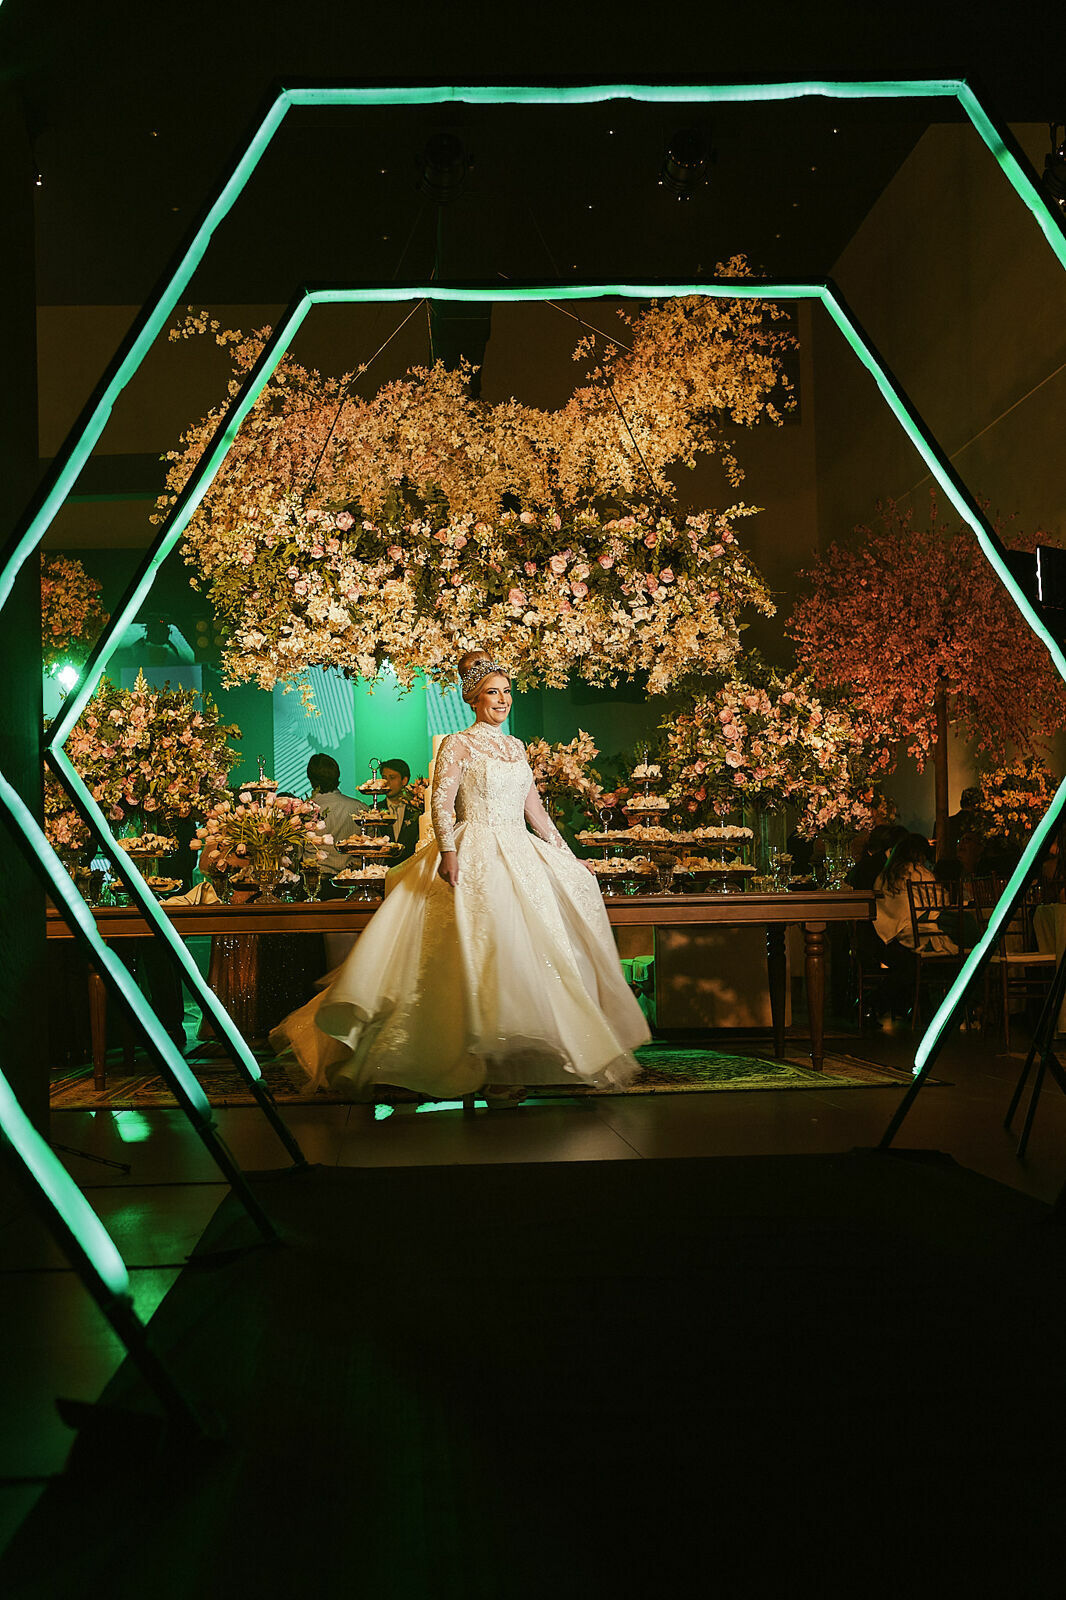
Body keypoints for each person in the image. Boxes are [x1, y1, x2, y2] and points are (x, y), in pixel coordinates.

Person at [271, 650, 649, 1101]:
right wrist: (449, 851)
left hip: (519, 853)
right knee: (475, 951)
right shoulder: (458, 743)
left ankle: (507, 1065)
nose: (503, 700)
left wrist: (567, 857)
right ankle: (469, 1064)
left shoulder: (515, 747)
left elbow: (536, 812)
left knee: (521, 953)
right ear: (473, 698)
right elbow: (442, 804)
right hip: (475, 851)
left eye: (507, 692)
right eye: (493, 692)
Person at [872, 832, 956, 1016]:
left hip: (887, 937)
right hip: (918, 934)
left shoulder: (884, 876)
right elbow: (937, 903)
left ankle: (884, 1006)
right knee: (959, 937)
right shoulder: (920, 873)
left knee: (910, 968)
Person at [306, 753, 366, 884]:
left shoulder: (302, 811)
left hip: (314, 883)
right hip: (352, 883)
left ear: (310, 778)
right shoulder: (360, 808)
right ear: (337, 775)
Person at [380, 757, 422, 864]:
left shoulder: (417, 810)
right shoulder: (374, 811)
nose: (387, 782)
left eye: (392, 778)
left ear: (404, 781)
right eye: (384, 778)